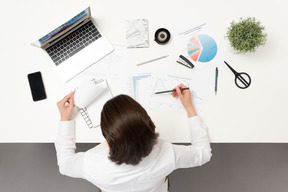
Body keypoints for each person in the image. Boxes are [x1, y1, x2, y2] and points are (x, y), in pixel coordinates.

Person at [55, 84, 212, 192]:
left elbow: (65, 164)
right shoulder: (167, 153)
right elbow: (203, 153)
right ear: (150, 127)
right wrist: (190, 108)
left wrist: (65, 119)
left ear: (108, 144)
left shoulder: (92, 164)